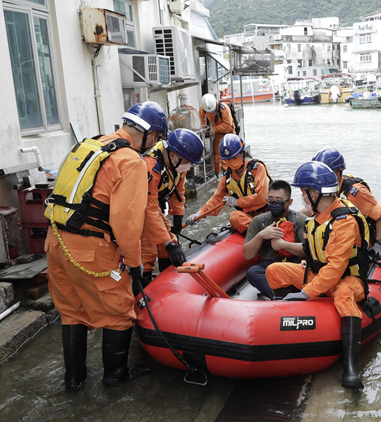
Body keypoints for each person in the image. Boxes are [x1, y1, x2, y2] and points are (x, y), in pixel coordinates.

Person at [44, 101, 168, 392]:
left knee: (72, 311)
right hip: (90, 250)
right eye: (157, 139)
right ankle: (115, 378)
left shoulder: (90, 144)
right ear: (150, 135)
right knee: (120, 313)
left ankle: (74, 381)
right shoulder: (131, 161)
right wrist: (136, 264)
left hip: (56, 242)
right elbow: (127, 224)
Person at [265, 161, 371, 389]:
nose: (303, 197)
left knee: (343, 294)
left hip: (347, 279)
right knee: (275, 271)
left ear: (314, 193)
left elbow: (335, 269)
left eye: (304, 192)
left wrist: (305, 293)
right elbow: (312, 252)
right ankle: (288, 321)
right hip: (319, 275)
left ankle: (351, 367)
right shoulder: (319, 217)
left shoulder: (343, 222)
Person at [140, 129, 204, 289]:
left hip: (154, 207)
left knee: (169, 238)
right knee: (148, 247)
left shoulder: (177, 164)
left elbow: (178, 190)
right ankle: (142, 284)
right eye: (187, 162)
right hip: (141, 209)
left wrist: (178, 215)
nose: (188, 167)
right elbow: (148, 210)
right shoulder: (150, 165)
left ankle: (166, 277)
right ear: (173, 154)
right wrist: (168, 244)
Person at [306, 147, 381, 262]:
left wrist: (379, 243)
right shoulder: (323, 190)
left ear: (336, 174)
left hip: (355, 238)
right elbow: (313, 208)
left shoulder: (356, 192)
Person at [184, 134, 270, 233]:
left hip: (266, 213)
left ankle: (259, 233)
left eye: (234, 157)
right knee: (234, 217)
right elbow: (217, 198)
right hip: (248, 216)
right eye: (228, 159)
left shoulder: (257, 169)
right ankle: (257, 233)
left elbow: (262, 197)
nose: (231, 161)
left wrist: (237, 202)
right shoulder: (227, 177)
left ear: (242, 153)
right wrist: (200, 213)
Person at [241, 179, 307, 300]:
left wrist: (283, 245)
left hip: (294, 265)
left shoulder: (300, 220)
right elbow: (247, 254)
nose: (273, 203)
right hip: (269, 266)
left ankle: (283, 294)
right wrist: (261, 235)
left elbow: (309, 250)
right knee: (253, 272)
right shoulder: (259, 221)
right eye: (270, 200)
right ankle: (279, 296)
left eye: (279, 201)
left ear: (290, 202)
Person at [199, 93, 236, 176]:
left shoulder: (224, 108)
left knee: (228, 154)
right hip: (218, 134)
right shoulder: (204, 107)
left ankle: (228, 173)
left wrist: (214, 129)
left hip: (229, 134)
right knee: (216, 155)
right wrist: (203, 124)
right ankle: (216, 173)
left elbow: (228, 123)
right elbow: (201, 113)